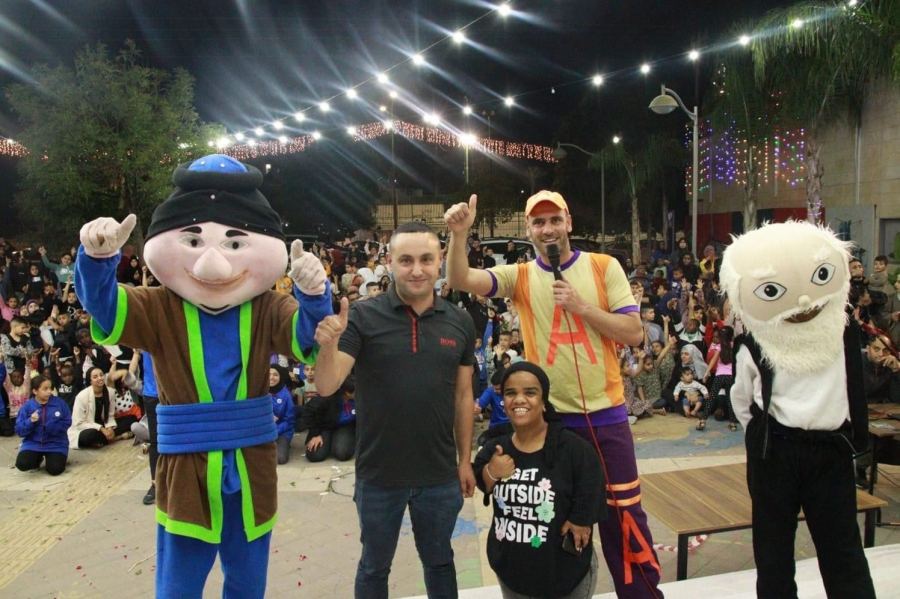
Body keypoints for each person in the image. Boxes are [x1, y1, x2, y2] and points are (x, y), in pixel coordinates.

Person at [75, 154, 332, 598]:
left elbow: (306, 336)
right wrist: (96, 260)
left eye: (234, 244)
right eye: (193, 241)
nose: (213, 266)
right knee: (178, 585)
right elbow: (105, 307)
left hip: (251, 465)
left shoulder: (267, 306)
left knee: (248, 583)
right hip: (186, 468)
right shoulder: (158, 306)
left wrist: (313, 294)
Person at [444, 192, 662, 597]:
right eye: (539, 222)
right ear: (529, 229)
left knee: (624, 516)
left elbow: (634, 333)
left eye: (554, 220)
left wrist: (582, 307)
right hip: (553, 423)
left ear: (569, 223)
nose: (547, 229)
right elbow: (460, 279)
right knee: (555, 516)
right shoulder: (521, 275)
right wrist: (459, 235)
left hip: (606, 416)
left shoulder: (603, 267)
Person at [313, 220, 476, 599]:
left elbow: (463, 396)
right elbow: (326, 385)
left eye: (426, 259)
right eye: (406, 260)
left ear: (440, 261)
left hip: (439, 474)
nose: (417, 270)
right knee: (374, 567)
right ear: (389, 262)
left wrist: (465, 460)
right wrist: (328, 345)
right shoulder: (362, 317)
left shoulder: (460, 321)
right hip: (379, 476)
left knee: (440, 562)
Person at [721, 221, 875, 598]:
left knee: (832, 549)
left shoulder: (840, 330)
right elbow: (743, 398)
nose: (804, 301)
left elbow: (743, 402)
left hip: (816, 448)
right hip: (785, 448)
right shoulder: (760, 340)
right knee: (785, 551)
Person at [474, 361, 605, 599]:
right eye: (510, 393)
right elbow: (482, 482)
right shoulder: (497, 447)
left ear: (544, 400)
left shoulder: (573, 448)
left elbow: (592, 482)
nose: (519, 399)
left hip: (564, 577)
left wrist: (581, 518)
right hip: (512, 577)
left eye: (530, 392)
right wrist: (492, 471)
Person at [15, 375, 72, 475]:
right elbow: (19, 431)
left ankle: (55, 458)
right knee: (22, 464)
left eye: (50, 388)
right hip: (33, 444)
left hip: (56, 444)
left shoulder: (60, 403)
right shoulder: (27, 406)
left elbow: (68, 422)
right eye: (45, 389)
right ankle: (37, 459)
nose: (49, 391)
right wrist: (30, 421)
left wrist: (50, 426)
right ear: (35, 391)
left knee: (55, 470)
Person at [301, 376, 357, 463]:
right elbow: (308, 412)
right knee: (314, 455)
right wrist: (315, 434)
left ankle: (337, 441)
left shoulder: (360, 400)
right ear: (347, 393)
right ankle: (329, 442)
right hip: (325, 427)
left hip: (345, 427)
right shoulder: (328, 397)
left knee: (343, 453)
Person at [68, 367, 119, 448]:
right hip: (87, 427)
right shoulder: (82, 396)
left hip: (103, 423)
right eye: (95, 377)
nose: (100, 378)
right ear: (90, 381)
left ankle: (105, 439)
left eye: (101, 375)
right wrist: (101, 428)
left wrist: (110, 428)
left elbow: (110, 415)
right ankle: (117, 437)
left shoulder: (110, 392)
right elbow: (78, 423)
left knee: (131, 419)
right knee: (91, 435)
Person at [269, 365, 295, 465]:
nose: (271, 377)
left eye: (275, 375)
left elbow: (289, 421)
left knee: (280, 458)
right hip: (264, 431)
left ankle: (284, 444)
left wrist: (275, 431)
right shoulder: (260, 391)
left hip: (281, 431)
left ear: (281, 377)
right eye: (269, 374)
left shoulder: (286, 395)